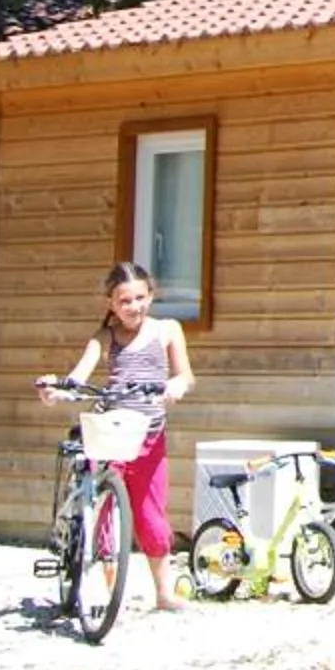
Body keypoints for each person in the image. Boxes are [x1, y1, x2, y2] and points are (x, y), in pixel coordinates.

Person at [38, 261, 195, 614]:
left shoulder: (167, 330)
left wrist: (176, 385)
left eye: (140, 298)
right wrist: (57, 390)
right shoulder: (104, 337)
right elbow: (78, 376)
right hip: (110, 435)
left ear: (151, 297)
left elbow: (185, 375)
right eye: (124, 301)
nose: (133, 307)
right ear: (111, 303)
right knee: (102, 510)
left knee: (151, 516)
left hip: (149, 437)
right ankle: (109, 593)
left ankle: (163, 593)